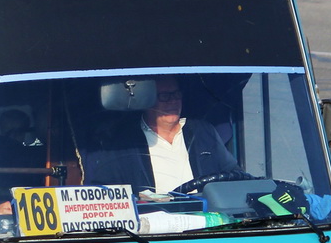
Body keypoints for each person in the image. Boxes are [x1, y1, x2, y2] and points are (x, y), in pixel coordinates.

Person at [83, 75, 238, 194]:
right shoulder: (123, 143)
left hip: (207, 221)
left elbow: (235, 175)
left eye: (176, 94)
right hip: (155, 229)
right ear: (146, 101)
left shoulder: (202, 131)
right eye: (164, 96)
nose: (173, 102)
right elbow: (106, 192)